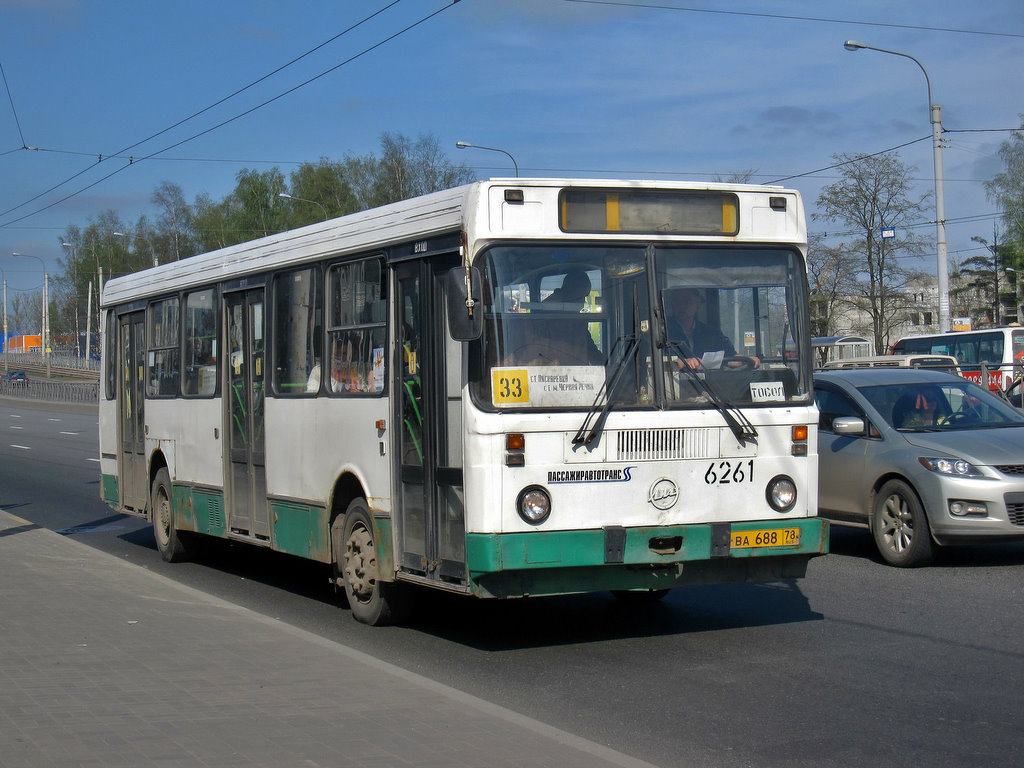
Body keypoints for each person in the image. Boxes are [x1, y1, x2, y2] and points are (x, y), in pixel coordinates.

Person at [666, 287, 758, 369]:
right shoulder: (663, 332)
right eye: (677, 302)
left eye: (686, 301)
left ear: (697, 305)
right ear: (672, 305)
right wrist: (682, 362)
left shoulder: (712, 333)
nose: (681, 306)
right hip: (675, 385)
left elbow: (730, 358)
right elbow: (656, 361)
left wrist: (747, 360)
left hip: (711, 386)